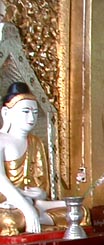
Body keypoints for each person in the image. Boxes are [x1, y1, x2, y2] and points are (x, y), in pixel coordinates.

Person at [0, 82, 66, 234]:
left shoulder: (35, 142)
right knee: (10, 221)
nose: (31, 117)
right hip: (8, 206)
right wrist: (27, 209)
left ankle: (38, 215)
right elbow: (1, 181)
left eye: (35, 112)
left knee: (80, 212)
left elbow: (41, 184)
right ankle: (37, 216)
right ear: (6, 113)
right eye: (25, 111)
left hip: (35, 204)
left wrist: (40, 193)